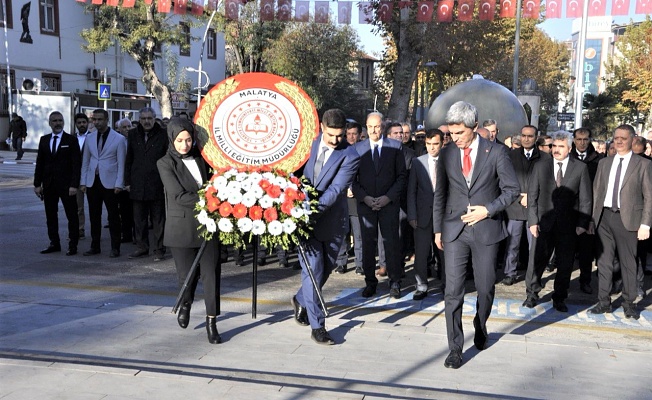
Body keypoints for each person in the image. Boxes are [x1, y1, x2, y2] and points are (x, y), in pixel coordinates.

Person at [433, 101, 519, 369]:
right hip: (454, 231)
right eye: (451, 132)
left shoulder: (496, 153)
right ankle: (455, 348)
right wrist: (438, 228)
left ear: (474, 127)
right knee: (453, 290)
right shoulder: (447, 154)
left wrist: (488, 210)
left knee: (485, 288)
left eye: (459, 133)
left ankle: (480, 325)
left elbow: (512, 190)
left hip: (486, 230)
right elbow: (441, 194)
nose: (453, 138)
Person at [291, 109, 360, 345]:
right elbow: (292, 173)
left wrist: (311, 210)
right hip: (304, 222)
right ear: (322, 127)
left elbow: (335, 190)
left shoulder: (350, 155)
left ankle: (301, 299)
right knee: (313, 270)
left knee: (326, 269)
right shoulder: (305, 146)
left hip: (331, 221)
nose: (335, 141)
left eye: (340, 136)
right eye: (331, 135)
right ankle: (318, 325)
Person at [157, 118, 223, 344]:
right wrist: (214, 199)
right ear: (171, 139)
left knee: (211, 276)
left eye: (188, 140)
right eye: (180, 140)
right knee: (187, 277)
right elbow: (178, 196)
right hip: (181, 228)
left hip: (208, 227)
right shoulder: (165, 163)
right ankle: (186, 302)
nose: (185, 145)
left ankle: (211, 321)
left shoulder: (203, 159)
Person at [522, 131, 592, 311]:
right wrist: (532, 221)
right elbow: (532, 197)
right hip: (544, 223)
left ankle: (559, 297)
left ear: (570, 148)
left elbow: (585, 198)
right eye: (554, 146)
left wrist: (582, 224)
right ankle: (532, 293)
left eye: (561, 146)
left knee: (565, 264)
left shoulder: (580, 168)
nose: (556, 150)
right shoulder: (540, 166)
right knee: (537, 260)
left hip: (569, 226)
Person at [589, 124, 651, 320]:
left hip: (629, 219)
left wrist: (645, 224)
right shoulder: (604, 163)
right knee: (604, 262)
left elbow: (649, 196)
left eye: (624, 138)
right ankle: (604, 302)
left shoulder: (643, 164)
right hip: (604, 218)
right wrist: (593, 219)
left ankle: (628, 303)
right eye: (616, 137)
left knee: (628, 263)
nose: (619, 141)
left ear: (633, 140)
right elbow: (597, 193)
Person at [352, 112, 407, 299]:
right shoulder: (358, 149)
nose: (374, 130)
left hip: (388, 205)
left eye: (377, 126)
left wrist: (388, 197)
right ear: (366, 127)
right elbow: (353, 179)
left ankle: (395, 282)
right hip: (366, 205)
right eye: (370, 127)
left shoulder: (396, 146)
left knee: (391, 244)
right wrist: (365, 198)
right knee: (368, 245)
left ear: (382, 126)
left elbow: (401, 177)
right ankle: (370, 282)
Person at [502, 125, 549, 286]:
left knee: (534, 246)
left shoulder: (545, 158)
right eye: (524, 136)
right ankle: (510, 273)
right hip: (515, 206)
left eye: (530, 136)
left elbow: (548, 183)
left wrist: (531, 197)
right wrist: (519, 197)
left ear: (536, 138)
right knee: (512, 243)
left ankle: (534, 276)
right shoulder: (510, 155)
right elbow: (505, 181)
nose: (526, 139)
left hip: (534, 208)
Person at [80, 109, 127, 258]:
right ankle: (95, 246)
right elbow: (85, 161)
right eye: (95, 120)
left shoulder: (118, 139)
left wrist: (119, 183)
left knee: (113, 216)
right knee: (94, 216)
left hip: (111, 183)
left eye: (100, 119)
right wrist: (83, 182)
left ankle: (115, 247)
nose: (97, 122)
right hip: (92, 182)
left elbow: (121, 163)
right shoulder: (90, 138)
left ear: (107, 120)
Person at [34, 111, 81, 256]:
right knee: (51, 216)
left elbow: (76, 164)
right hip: (49, 185)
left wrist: (74, 185)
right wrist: (37, 184)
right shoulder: (44, 140)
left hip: (67, 186)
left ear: (64, 122)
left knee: (72, 216)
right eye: (54, 121)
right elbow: (40, 164)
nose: (57, 123)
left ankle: (73, 245)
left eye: (60, 120)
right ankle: (54, 243)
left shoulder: (71, 140)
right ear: (49, 123)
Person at [125, 107, 168, 261]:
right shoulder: (132, 134)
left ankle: (159, 249)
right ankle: (142, 247)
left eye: (149, 118)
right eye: (143, 118)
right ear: (140, 119)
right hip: (137, 183)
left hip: (157, 183)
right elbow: (129, 159)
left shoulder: (163, 134)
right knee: (139, 219)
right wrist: (127, 181)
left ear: (154, 118)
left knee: (158, 220)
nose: (146, 121)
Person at [407, 129, 444, 300]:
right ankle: (421, 285)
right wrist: (412, 215)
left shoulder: (449, 162)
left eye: (435, 144)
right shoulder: (417, 162)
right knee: (421, 254)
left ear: (442, 143)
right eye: (428, 144)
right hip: (421, 216)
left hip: (444, 217)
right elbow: (411, 191)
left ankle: (446, 284)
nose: (432, 148)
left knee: (444, 253)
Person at [570, 127, 604, 294]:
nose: (582, 143)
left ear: (590, 140)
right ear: (574, 140)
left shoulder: (598, 161)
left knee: (586, 251)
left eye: (585, 139)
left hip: (588, 211)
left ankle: (585, 281)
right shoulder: (568, 157)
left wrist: (591, 218)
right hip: (569, 211)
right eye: (579, 139)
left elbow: (599, 190)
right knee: (567, 250)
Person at [335, 121, 364, 274]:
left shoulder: (363, 151)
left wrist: (355, 189)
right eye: (349, 134)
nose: (352, 137)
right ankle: (341, 262)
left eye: (354, 134)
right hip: (341, 198)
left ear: (360, 135)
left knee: (359, 234)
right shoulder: (340, 151)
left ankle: (360, 263)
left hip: (357, 198)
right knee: (342, 233)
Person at [74, 113, 90, 239]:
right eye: (79, 123)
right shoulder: (71, 139)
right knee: (78, 206)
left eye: (84, 122)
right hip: (77, 178)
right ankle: (79, 229)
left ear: (87, 123)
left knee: (95, 206)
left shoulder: (93, 137)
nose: (82, 125)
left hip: (92, 177)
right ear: (76, 124)